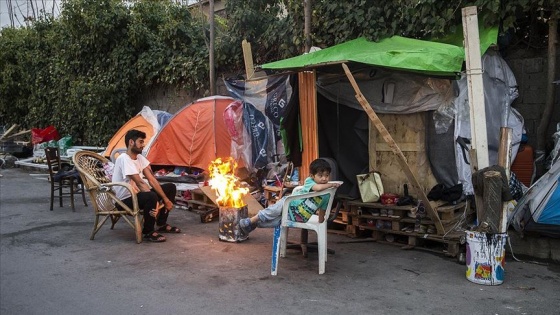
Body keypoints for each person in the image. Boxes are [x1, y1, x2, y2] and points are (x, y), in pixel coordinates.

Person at [239, 158, 341, 235]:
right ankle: (252, 222)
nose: (324, 178)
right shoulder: (309, 181)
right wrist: (331, 184)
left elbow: (323, 210)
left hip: (299, 216)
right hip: (290, 206)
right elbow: (317, 188)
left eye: (327, 175)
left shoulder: (327, 194)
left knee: (275, 221)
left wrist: (321, 222)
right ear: (312, 176)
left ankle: (253, 223)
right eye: (320, 175)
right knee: (273, 212)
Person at [112, 129, 180, 242]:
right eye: (141, 142)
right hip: (124, 201)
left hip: (138, 195)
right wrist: (157, 201)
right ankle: (148, 231)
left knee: (170, 187)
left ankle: (161, 224)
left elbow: (151, 179)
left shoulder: (139, 158)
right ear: (131, 142)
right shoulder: (124, 158)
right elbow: (140, 183)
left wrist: (165, 199)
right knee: (151, 196)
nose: (143, 145)